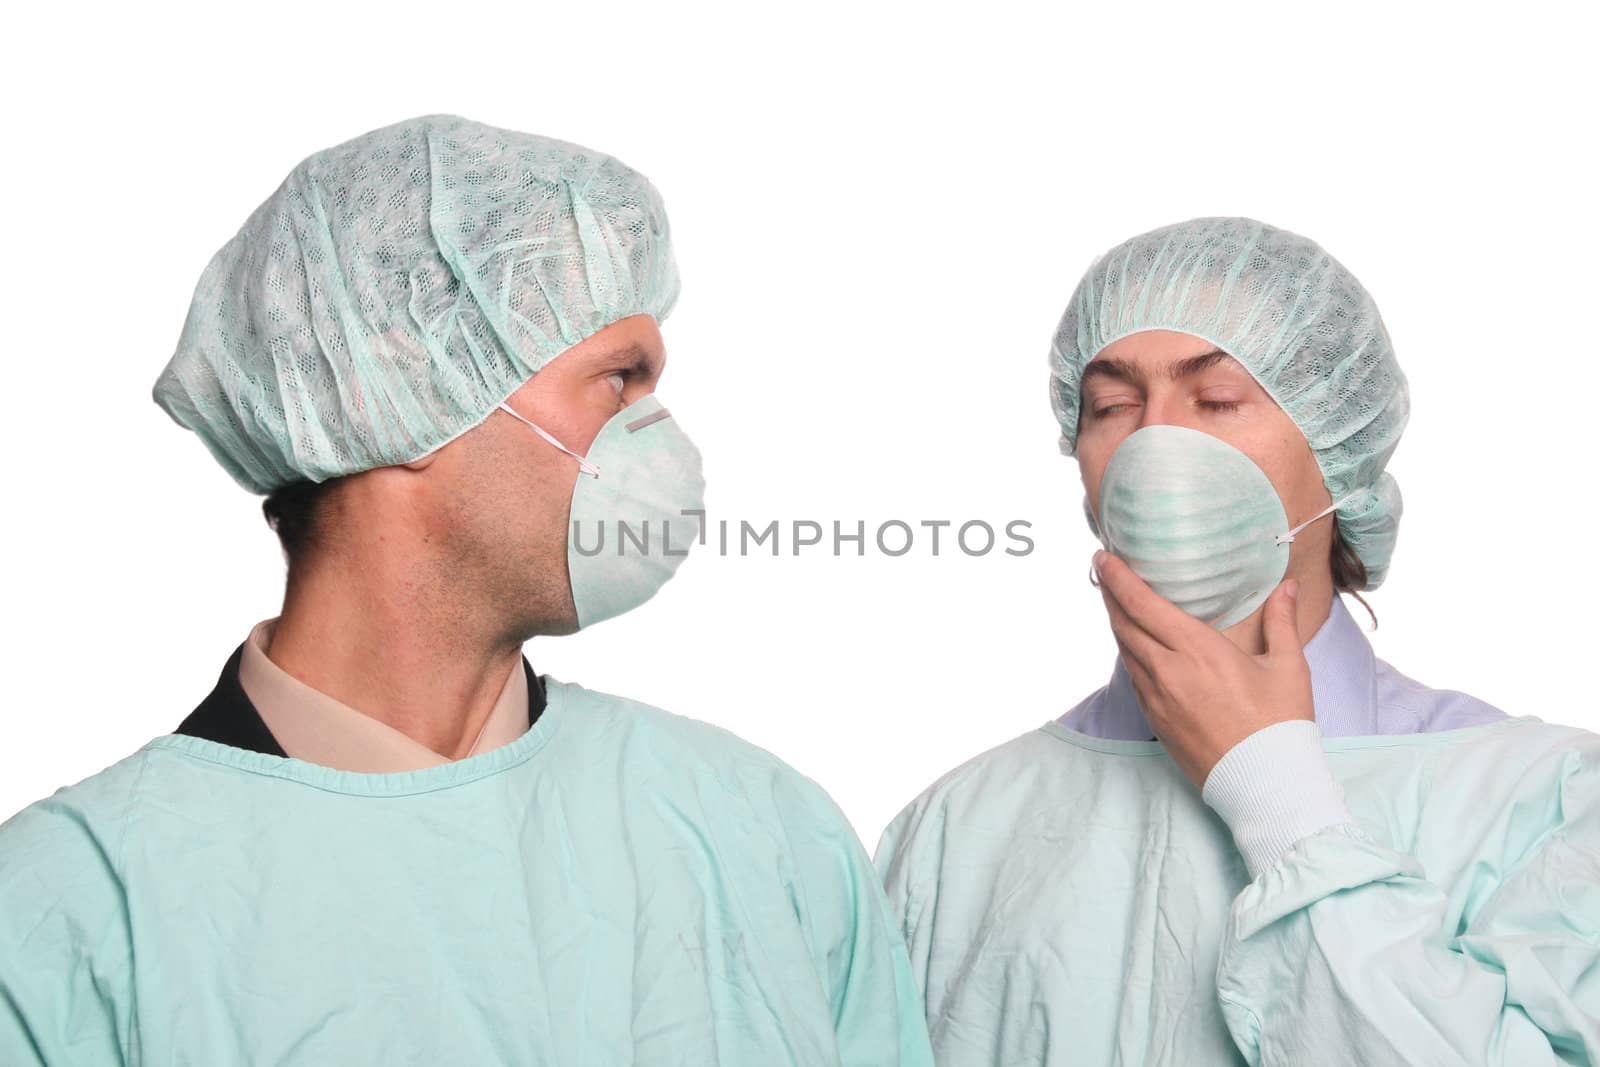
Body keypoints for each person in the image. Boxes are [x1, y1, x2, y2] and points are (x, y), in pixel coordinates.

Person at [0, 114, 932, 1066]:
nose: (657, 438)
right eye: (617, 380)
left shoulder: (763, 834)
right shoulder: (66, 917)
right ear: (390, 385)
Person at [875, 217, 1600, 1065]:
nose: (1155, 441)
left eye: (1216, 399)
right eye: (1111, 405)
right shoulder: (956, 831)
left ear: (1338, 445)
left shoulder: (1543, 801)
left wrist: (1279, 798)